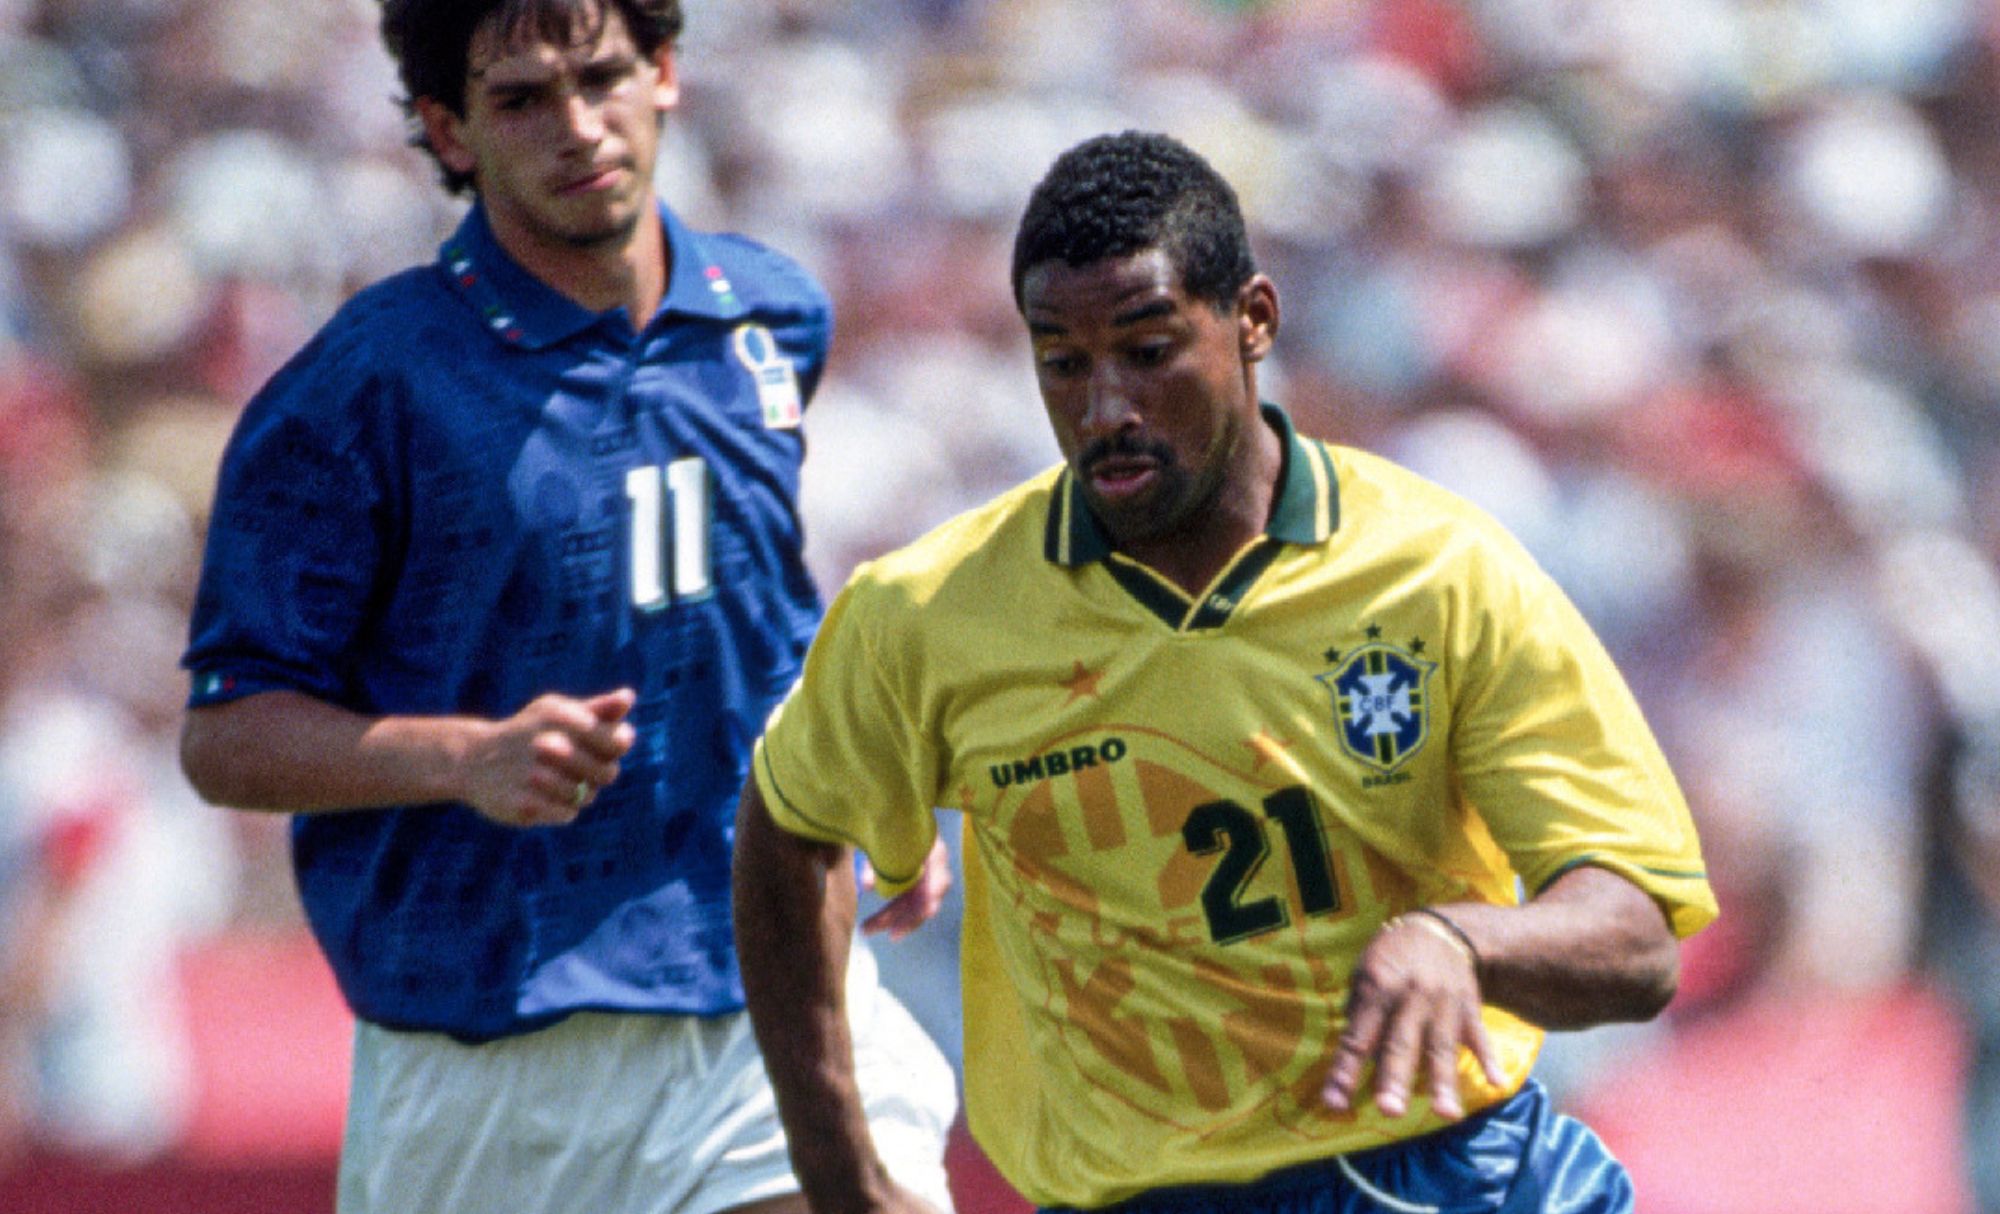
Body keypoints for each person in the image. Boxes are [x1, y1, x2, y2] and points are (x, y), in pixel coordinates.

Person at [732, 130, 1718, 1214]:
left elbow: (1636, 941)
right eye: (1063, 362)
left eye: (1148, 350)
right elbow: (786, 827)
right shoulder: (926, 615)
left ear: (1252, 318)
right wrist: (842, 1177)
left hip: (1453, 1174)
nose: (1105, 408)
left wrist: (1463, 940)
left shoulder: (1438, 571)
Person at [176, 2, 955, 1212]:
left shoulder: (770, 315)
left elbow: (753, 610)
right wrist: (464, 755)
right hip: (488, 1062)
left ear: (665, 73)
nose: (579, 125)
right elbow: (226, 736)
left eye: (601, 76)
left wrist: (865, 781)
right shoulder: (363, 386)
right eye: (522, 99)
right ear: (449, 130)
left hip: (766, 994)